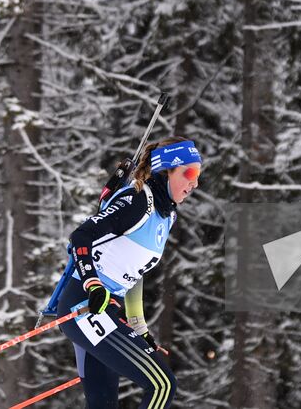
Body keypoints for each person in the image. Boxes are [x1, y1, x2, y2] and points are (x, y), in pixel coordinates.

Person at [58, 137, 203, 409]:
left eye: (199, 175)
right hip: (86, 305)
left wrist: (139, 327)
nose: (195, 183)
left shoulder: (166, 215)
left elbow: (133, 273)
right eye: (190, 173)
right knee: (162, 384)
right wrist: (93, 284)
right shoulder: (138, 200)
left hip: (107, 309)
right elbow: (81, 236)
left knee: (104, 404)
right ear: (166, 170)